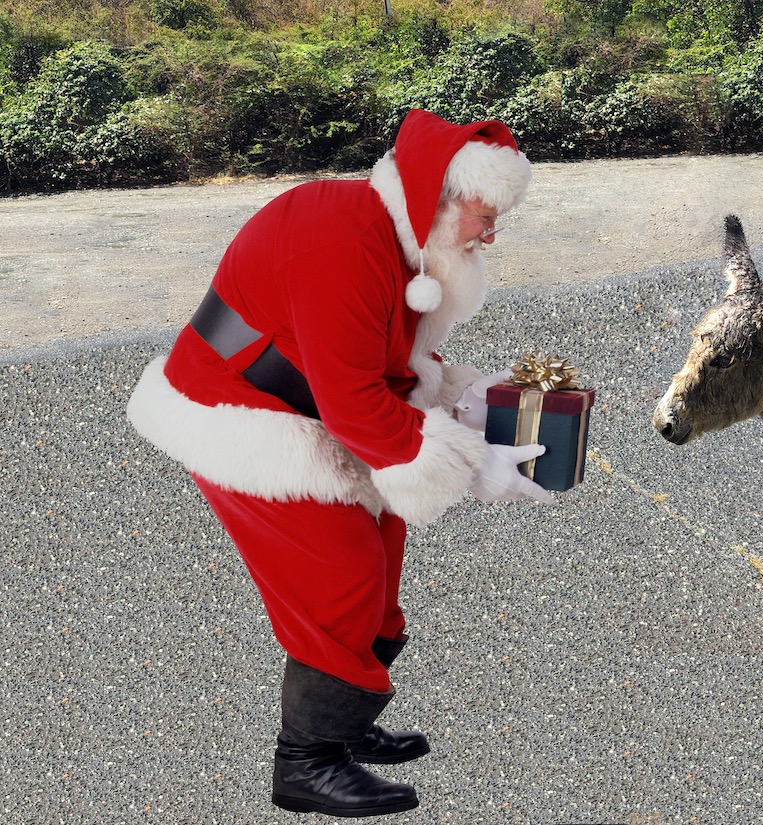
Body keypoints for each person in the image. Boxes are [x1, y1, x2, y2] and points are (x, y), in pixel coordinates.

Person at [127, 109, 553, 818]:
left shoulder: (399, 240)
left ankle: (343, 724)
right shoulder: (342, 240)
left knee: (383, 548)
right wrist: (475, 465)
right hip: (235, 407)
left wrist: (467, 395)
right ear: (441, 198)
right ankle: (307, 762)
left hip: (309, 401)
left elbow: (386, 359)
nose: (490, 235)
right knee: (341, 571)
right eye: (485, 217)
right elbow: (356, 403)